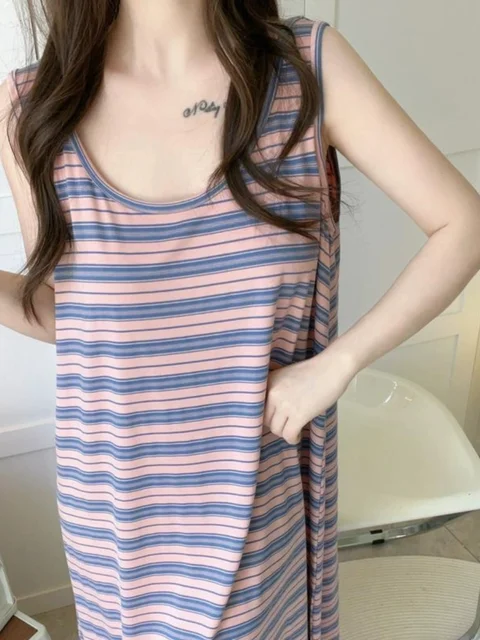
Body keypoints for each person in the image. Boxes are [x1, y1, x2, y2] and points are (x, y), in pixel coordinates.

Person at [1, 2, 479, 639]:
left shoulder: (307, 69)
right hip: (114, 511)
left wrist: (336, 364)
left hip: (254, 500)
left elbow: (463, 225)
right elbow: (80, 318)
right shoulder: (33, 107)